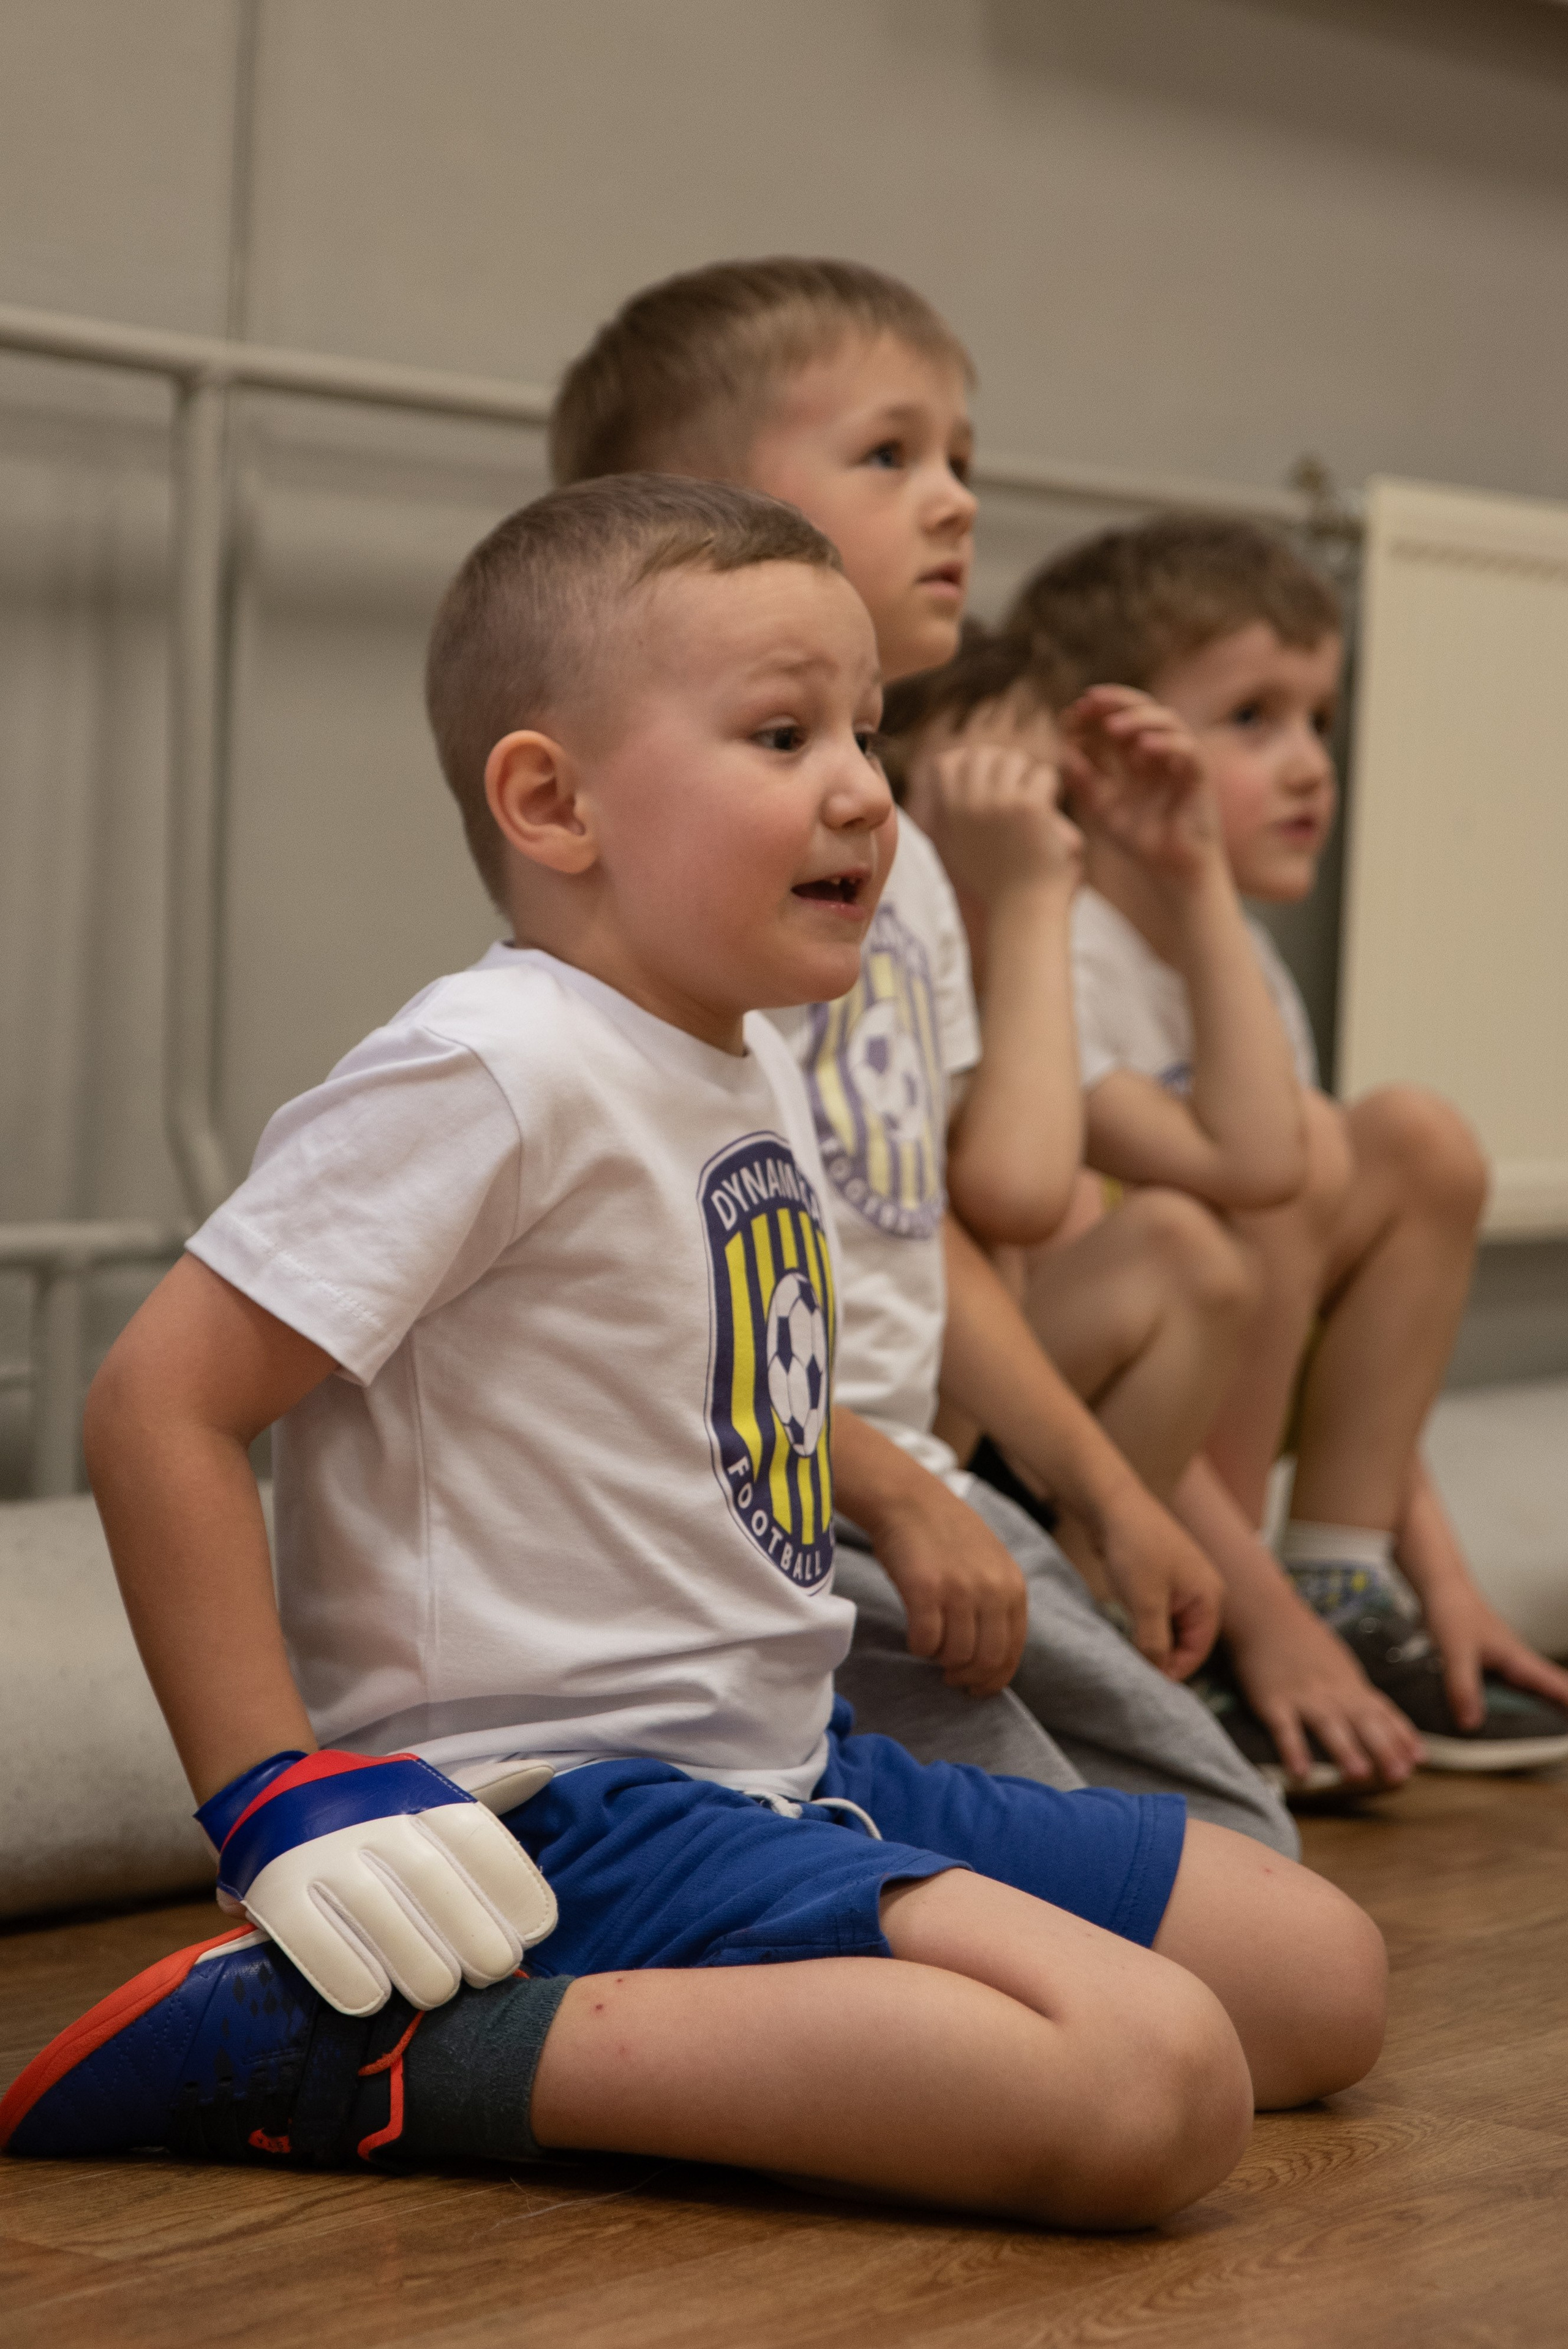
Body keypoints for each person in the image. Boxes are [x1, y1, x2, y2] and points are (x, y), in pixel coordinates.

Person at [4, 477, 1384, 2224]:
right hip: (551, 1811)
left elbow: (721, 1399)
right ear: (551, 801)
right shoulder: (493, 1062)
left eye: (867, 732)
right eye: (784, 734)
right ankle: (347, 2050)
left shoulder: (742, 1059)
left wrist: (918, 1495)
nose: (864, 788)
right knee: (1152, 2083)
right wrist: (275, 1797)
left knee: (1320, 1978)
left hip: (789, 1768)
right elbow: (159, 1404)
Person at [549, 259, 1297, 1850]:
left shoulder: (899, 864)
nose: (955, 500)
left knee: (1240, 1837)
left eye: (961, 456)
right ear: (686, 519)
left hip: (918, 1496)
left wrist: (1101, 1490)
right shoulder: (690, 891)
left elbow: (928, 1222)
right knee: (1194, 1902)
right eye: (890, 455)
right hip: (777, 1515)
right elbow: (656, 1306)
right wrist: (888, 1487)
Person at [1006, 514, 1568, 1780]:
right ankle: (1208, 1629)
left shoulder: (1239, 960)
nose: (1312, 765)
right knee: (1292, 1148)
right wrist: (1255, 1620)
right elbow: (1106, 1289)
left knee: (1414, 1138)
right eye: (1252, 718)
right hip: (1082, 1443)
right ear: (1097, 751)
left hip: (1219, 1434)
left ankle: (1338, 1586)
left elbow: (1324, 1296)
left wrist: (1438, 1582)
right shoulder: (1056, 952)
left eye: (1320, 719)